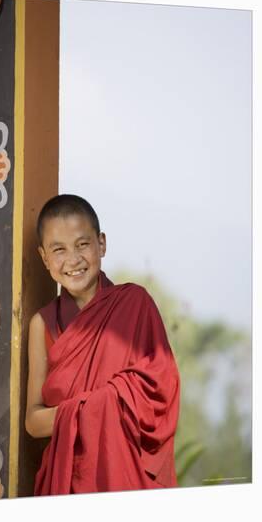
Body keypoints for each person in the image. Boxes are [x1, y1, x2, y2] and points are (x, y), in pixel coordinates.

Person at [25, 193, 180, 496]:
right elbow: (32, 420)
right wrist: (94, 407)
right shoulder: (41, 324)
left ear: (102, 244)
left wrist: (95, 403)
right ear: (44, 258)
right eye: (59, 250)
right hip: (69, 477)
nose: (73, 260)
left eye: (83, 245)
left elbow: (163, 392)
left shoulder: (135, 304)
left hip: (127, 475)